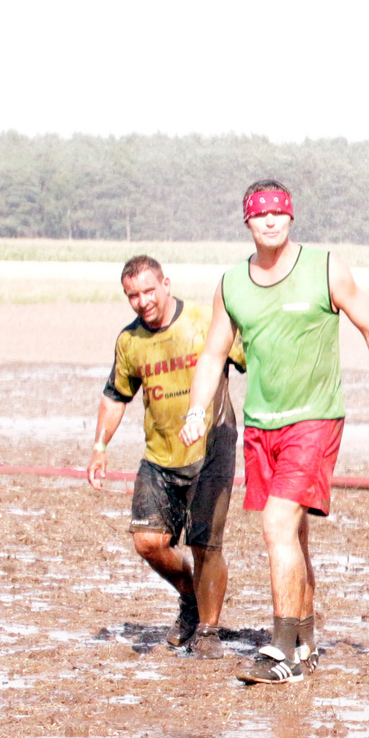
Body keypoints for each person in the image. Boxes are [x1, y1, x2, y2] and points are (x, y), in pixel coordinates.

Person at [180, 179, 369, 684]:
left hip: (315, 420)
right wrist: (198, 409)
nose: (271, 220)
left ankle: (280, 653)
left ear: (292, 216)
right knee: (295, 534)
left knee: (277, 525)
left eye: (279, 211)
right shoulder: (231, 283)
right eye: (261, 214)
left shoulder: (325, 268)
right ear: (248, 222)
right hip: (263, 425)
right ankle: (304, 639)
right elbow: (214, 353)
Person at [88, 255, 246, 659]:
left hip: (212, 446)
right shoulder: (130, 342)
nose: (142, 302)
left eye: (148, 291)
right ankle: (191, 599)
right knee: (147, 542)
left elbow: (255, 360)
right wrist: (100, 447)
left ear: (166, 284)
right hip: (160, 456)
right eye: (132, 296)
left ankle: (208, 630)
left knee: (204, 543)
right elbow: (115, 397)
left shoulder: (205, 322)